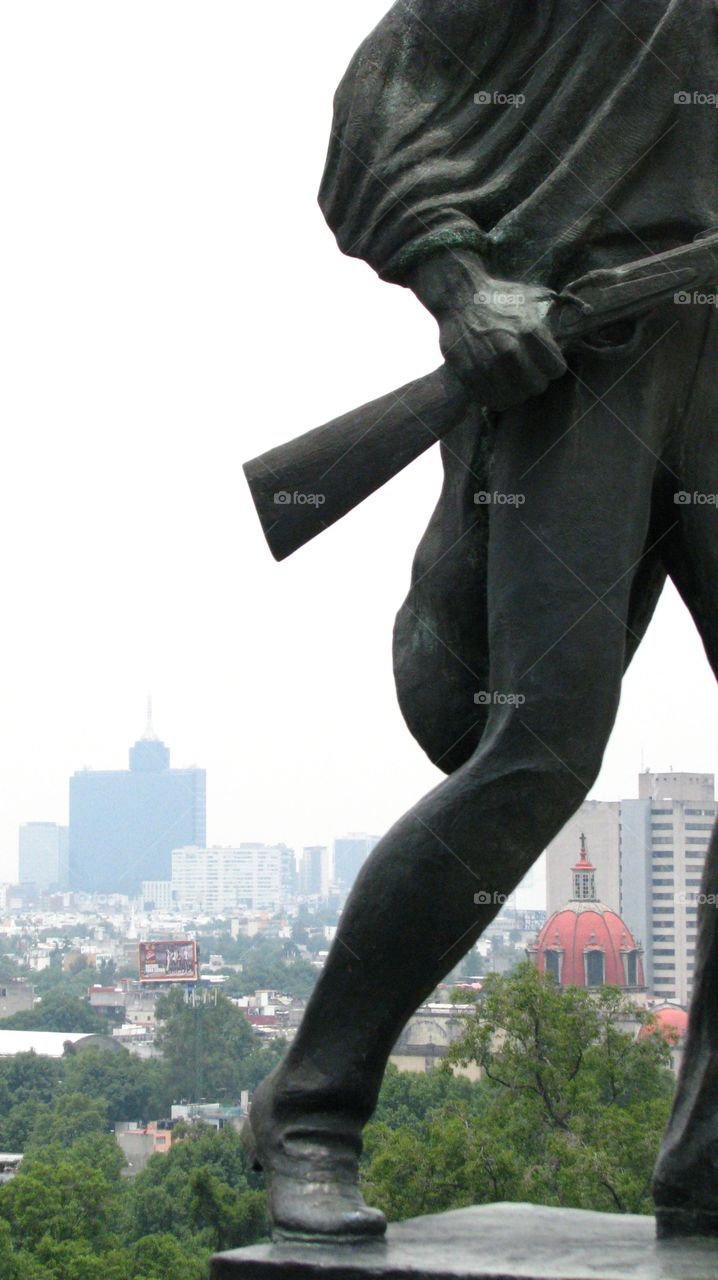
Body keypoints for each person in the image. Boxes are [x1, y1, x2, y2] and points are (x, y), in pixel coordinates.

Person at [245, 0, 718, 1241]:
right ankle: (310, 1105)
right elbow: (382, 93)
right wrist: (460, 283)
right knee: (541, 747)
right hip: (587, 348)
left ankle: (711, 1155)